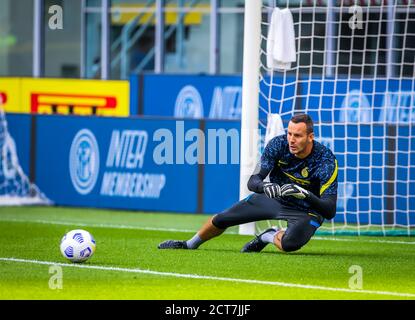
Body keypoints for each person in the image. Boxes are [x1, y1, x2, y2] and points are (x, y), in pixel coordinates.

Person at [158, 113, 338, 253]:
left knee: (289, 245)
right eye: (289, 133)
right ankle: (189, 244)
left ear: (310, 137)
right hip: (276, 199)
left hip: (307, 210)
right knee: (223, 218)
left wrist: (304, 194)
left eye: (297, 135)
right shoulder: (278, 145)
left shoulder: (325, 160)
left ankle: (268, 236)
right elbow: (253, 181)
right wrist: (265, 186)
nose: (291, 140)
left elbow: (329, 210)